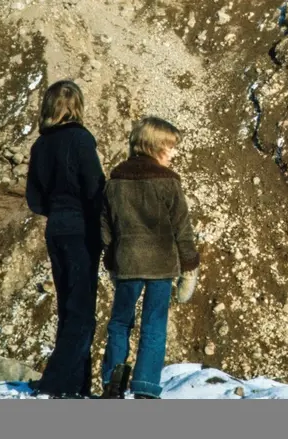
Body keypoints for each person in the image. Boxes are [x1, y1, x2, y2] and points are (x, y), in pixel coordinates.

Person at [99, 117, 201, 399]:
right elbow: (183, 228)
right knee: (154, 327)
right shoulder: (169, 182)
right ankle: (145, 387)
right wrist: (189, 267)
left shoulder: (115, 181)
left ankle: (112, 382)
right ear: (155, 147)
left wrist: (110, 259)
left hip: (127, 264)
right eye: (171, 147)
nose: (175, 153)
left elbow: (106, 227)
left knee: (120, 323)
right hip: (161, 266)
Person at [25, 80, 106, 398]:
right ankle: (57, 382)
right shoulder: (81, 140)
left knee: (68, 308)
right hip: (81, 231)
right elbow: (95, 190)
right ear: (78, 108)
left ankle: (77, 384)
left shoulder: (40, 146)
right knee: (82, 311)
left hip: (55, 229)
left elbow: (34, 199)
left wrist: (56, 210)